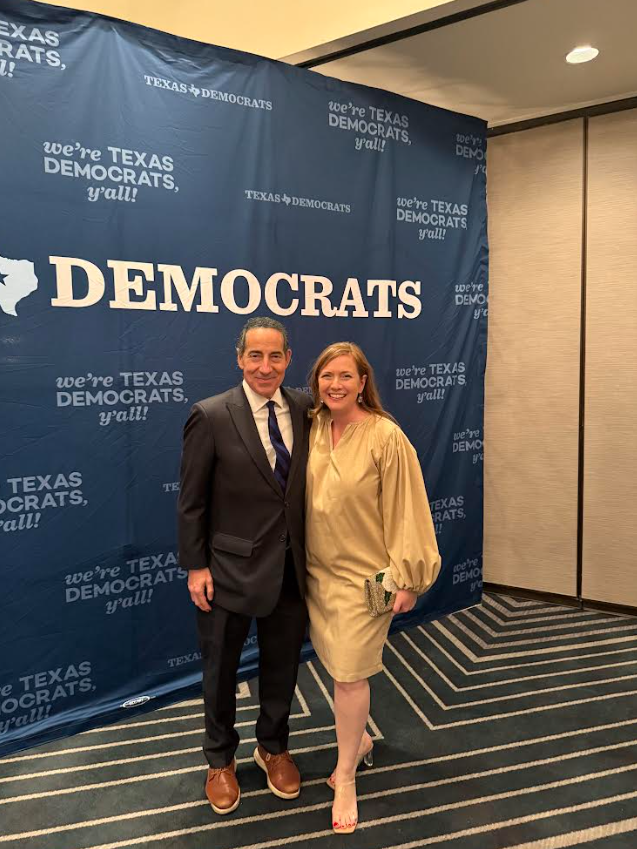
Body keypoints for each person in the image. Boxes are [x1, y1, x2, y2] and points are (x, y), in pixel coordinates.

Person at [177, 316, 313, 815]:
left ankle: (274, 747)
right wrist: (196, 567)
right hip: (226, 571)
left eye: (275, 355)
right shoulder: (210, 415)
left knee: (282, 667)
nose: (265, 366)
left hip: (291, 568)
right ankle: (219, 761)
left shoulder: (304, 407)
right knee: (220, 671)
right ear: (239, 359)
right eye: (255, 355)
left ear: (288, 360)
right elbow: (191, 501)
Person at [305, 341, 441, 834]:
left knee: (349, 674)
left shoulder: (386, 436)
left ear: (363, 382)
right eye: (326, 376)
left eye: (345, 375)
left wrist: (408, 578)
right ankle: (358, 741)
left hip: (368, 581)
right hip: (317, 575)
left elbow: (409, 508)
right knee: (336, 664)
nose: (335, 384)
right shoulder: (314, 426)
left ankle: (344, 776)